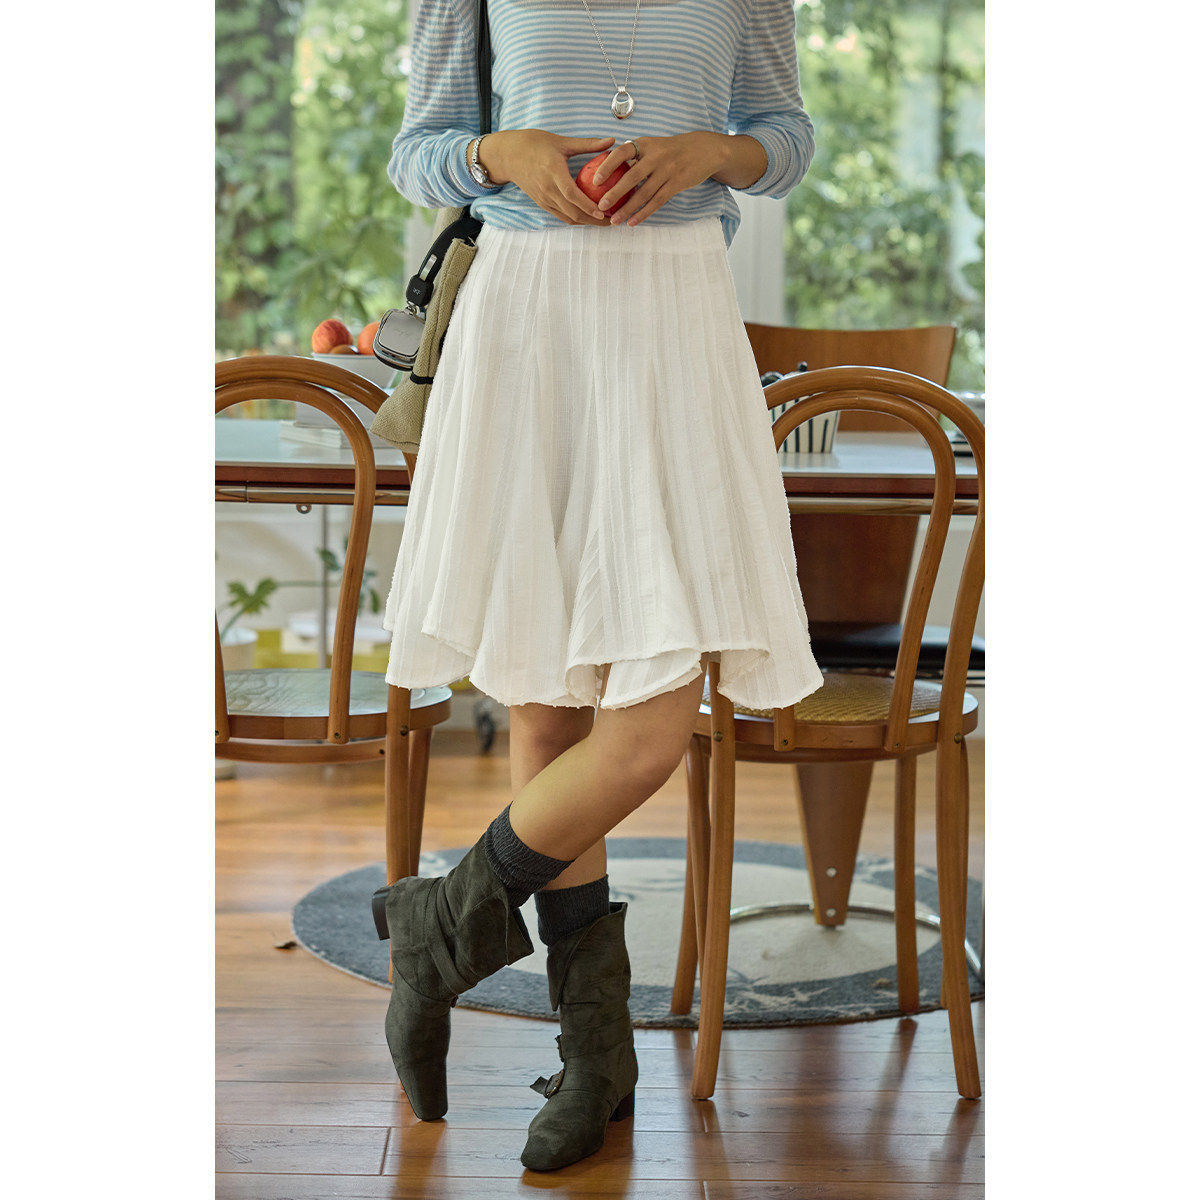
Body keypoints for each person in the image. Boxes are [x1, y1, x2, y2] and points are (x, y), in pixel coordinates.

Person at [373, 0, 823, 1172]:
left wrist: (710, 151)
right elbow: (417, 151)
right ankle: (596, 1058)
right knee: (546, 707)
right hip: (524, 319)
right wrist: (500, 152)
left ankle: (437, 927)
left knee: (646, 729)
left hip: (676, 317)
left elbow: (786, 138)